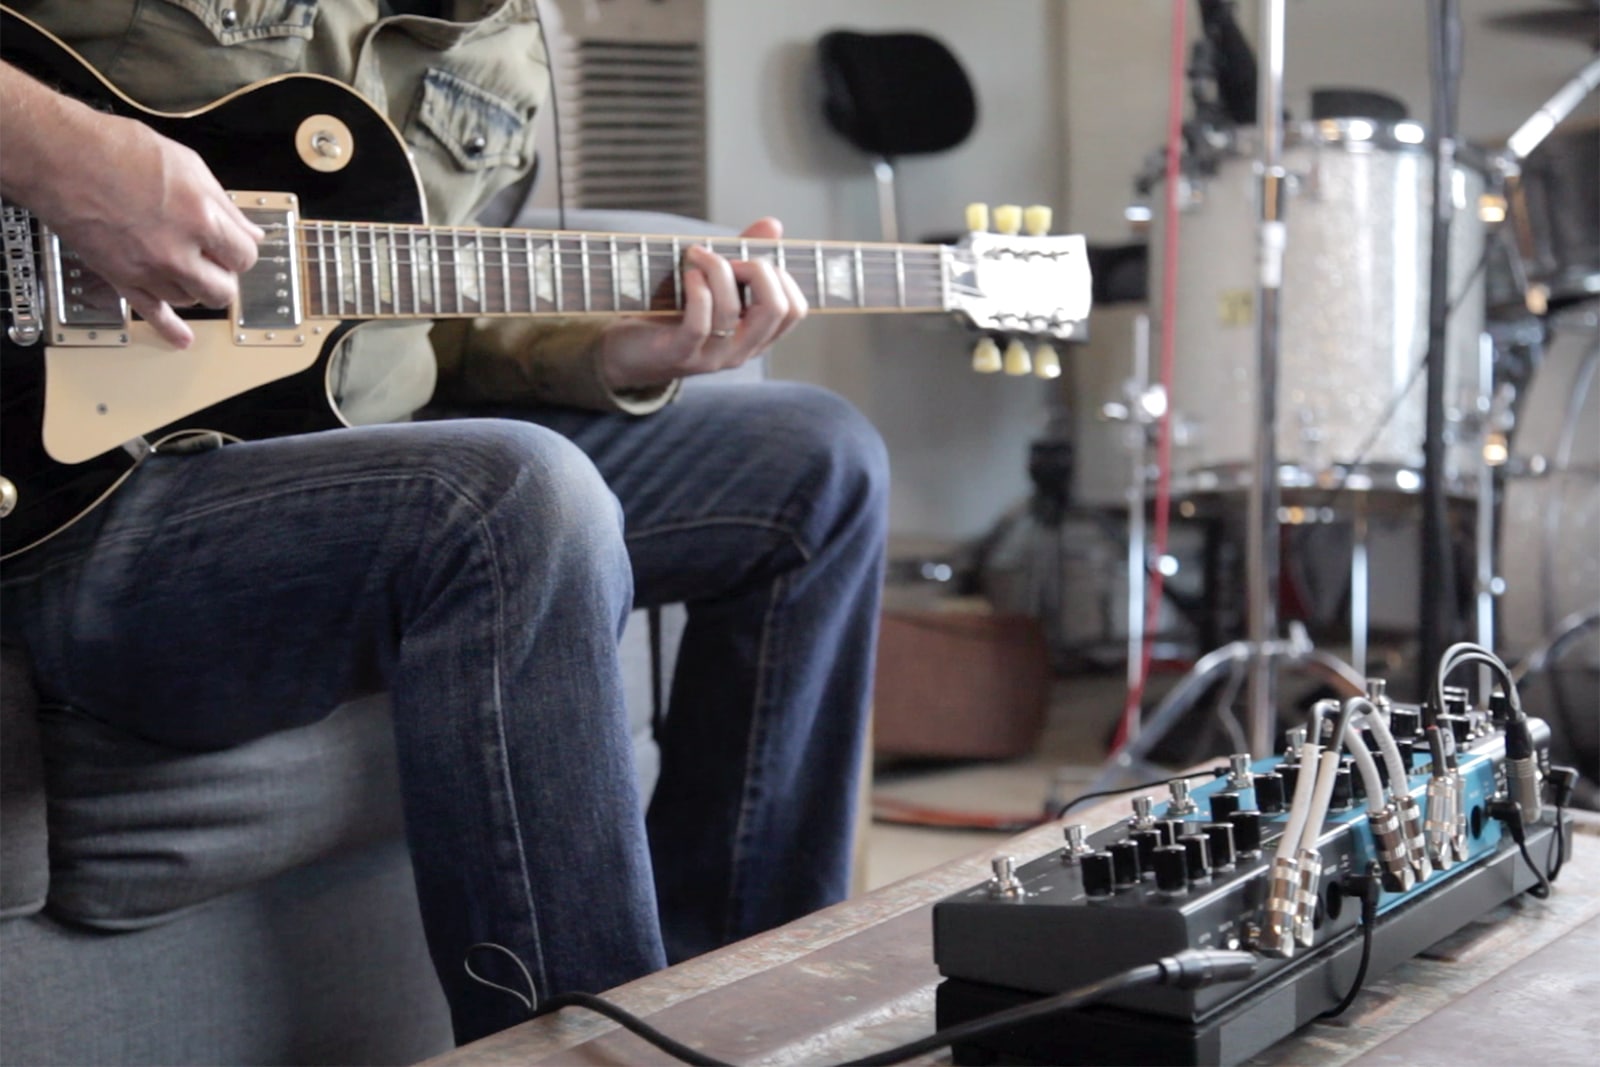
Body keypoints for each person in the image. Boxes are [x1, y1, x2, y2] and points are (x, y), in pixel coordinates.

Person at [0, 0, 888, 1045]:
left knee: (816, 462)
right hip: (98, 510)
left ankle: (729, 1019)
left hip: (356, 470)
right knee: (514, 493)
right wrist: (54, 149)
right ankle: (594, 1052)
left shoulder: (506, 35)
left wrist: (613, 355)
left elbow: (421, 305)